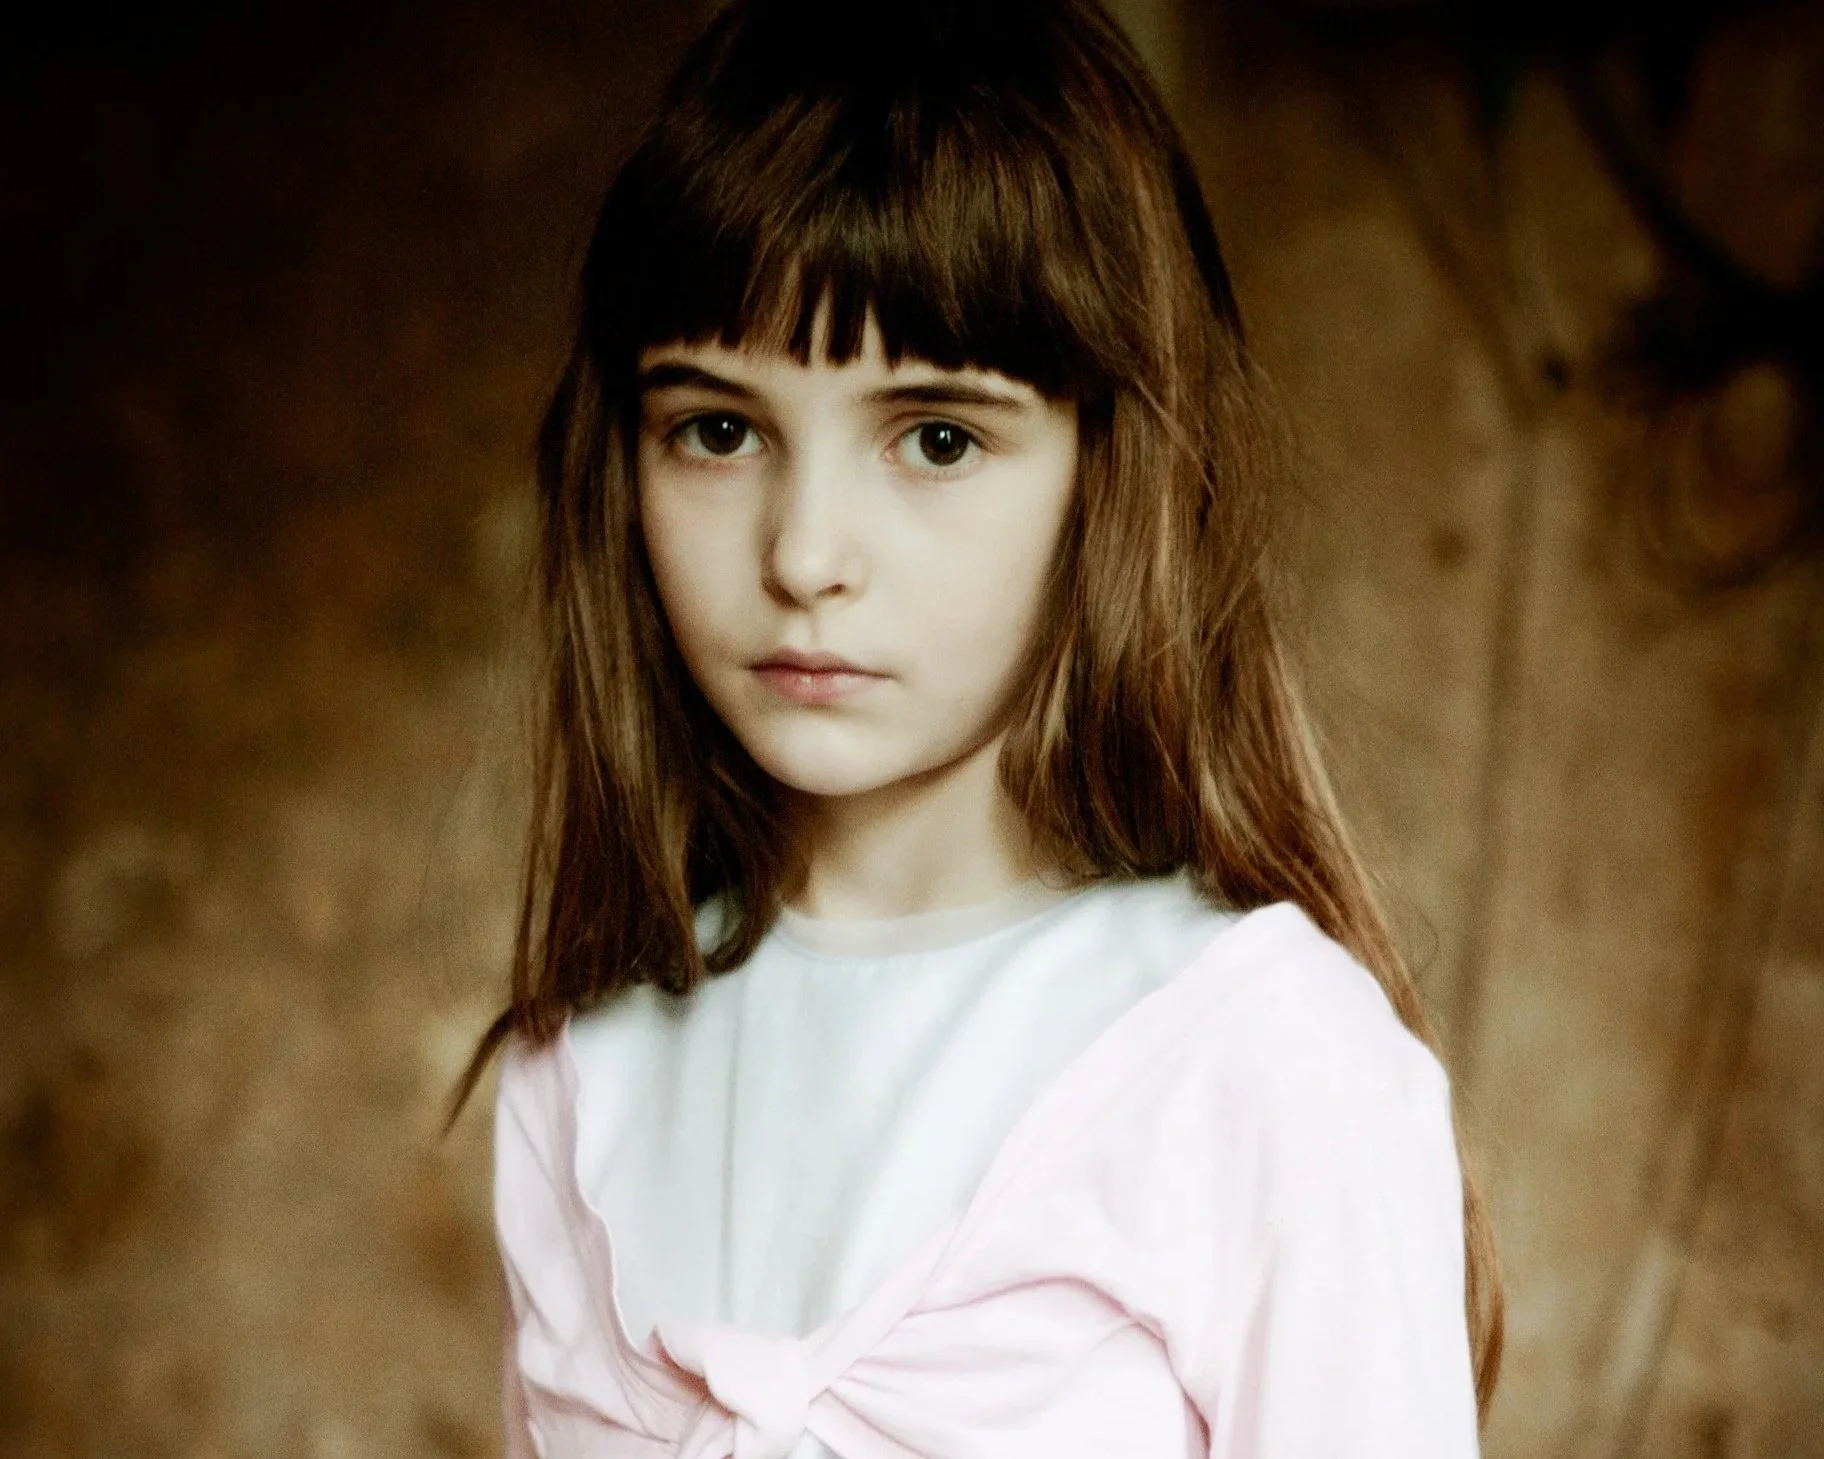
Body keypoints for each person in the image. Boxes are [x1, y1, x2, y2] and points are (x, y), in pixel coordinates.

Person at [460, 0, 1504, 1453]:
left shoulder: (1262, 1063)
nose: (805, 552)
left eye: (937, 437)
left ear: (1110, 468)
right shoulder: (584, 1066)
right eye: (716, 428)